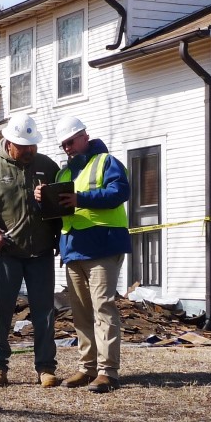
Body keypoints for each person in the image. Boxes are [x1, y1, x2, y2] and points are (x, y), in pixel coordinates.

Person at [0, 112, 62, 389]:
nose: (30, 151)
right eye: (24, 146)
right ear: (9, 143)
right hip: (5, 254)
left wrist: (51, 208)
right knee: (0, 311)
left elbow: (59, 210)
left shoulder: (48, 165)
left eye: (33, 145)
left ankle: (45, 368)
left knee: (45, 313)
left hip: (41, 253)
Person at [44, 115, 131, 393]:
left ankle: (108, 372)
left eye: (70, 141)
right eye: (63, 144)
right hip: (74, 250)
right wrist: (42, 199)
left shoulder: (107, 162)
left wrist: (81, 199)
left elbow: (119, 193)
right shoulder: (64, 174)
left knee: (103, 308)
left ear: (84, 136)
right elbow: (58, 214)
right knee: (81, 314)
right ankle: (87, 368)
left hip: (103, 246)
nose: (67, 148)